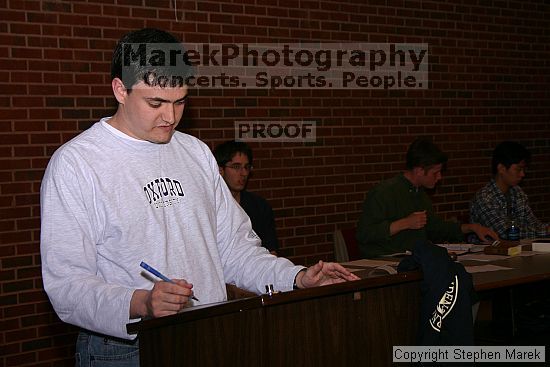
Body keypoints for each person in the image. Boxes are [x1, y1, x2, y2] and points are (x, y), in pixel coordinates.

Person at [40, 28, 359, 366]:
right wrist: (142, 302)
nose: (170, 117)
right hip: (128, 350)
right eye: (155, 103)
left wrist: (294, 277)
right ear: (120, 89)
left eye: (180, 102)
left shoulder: (196, 152)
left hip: (210, 333)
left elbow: (234, 250)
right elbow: (67, 287)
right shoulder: (77, 164)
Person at [356, 137, 498, 258]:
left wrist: (471, 228)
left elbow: (435, 228)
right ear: (419, 170)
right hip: (384, 262)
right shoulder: (384, 192)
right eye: (435, 173)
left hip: (412, 260)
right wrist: (405, 223)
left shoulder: (420, 194)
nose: (439, 177)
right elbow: (365, 234)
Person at [470, 141, 549, 239]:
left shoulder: (517, 193)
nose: (522, 174)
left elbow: (533, 223)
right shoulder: (485, 197)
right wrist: (545, 231)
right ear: (501, 168)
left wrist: (545, 229)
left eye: (524, 170)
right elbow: (505, 232)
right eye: (518, 169)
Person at [213, 140, 279, 255]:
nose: (243, 173)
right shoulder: (210, 206)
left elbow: (271, 251)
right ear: (220, 170)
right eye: (236, 167)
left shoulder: (259, 206)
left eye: (246, 167)